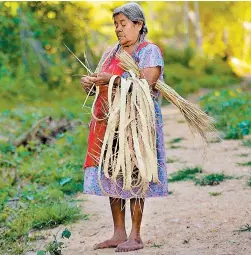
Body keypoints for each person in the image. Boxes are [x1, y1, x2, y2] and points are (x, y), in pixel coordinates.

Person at [80, 2, 169, 253]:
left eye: (123, 24)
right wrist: (91, 83)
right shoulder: (111, 52)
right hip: (110, 122)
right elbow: (102, 80)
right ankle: (118, 233)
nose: (118, 29)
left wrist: (114, 80)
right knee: (112, 171)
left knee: (135, 171)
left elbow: (147, 84)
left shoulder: (148, 51)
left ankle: (136, 235)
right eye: (115, 25)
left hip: (136, 122)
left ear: (138, 25)